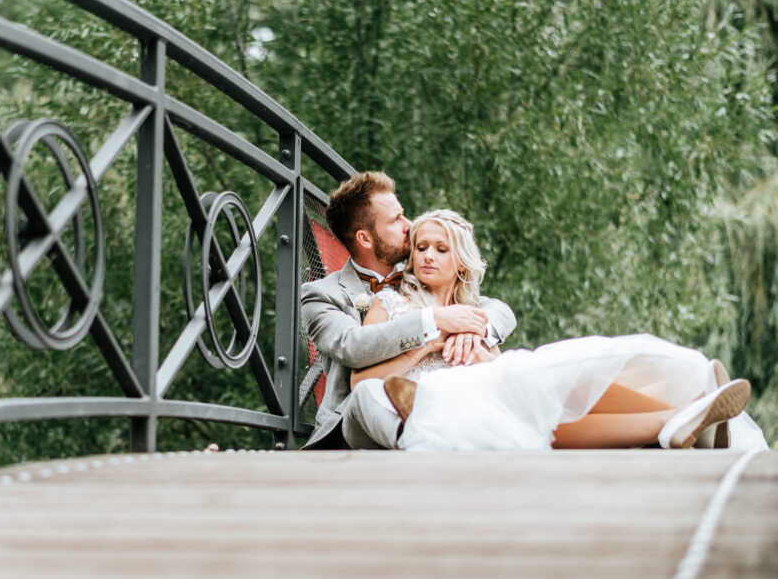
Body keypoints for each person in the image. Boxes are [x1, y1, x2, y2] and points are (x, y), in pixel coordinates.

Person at [351, 208, 766, 450]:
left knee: (549, 377)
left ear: (460, 262)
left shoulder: (476, 312)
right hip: (453, 405)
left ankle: (685, 410)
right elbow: (362, 382)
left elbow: (491, 363)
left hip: (491, 383)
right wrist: (428, 342)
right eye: (421, 247)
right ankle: (683, 416)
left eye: (441, 249)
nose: (427, 257)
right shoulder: (393, 304)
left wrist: (481, 352)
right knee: (531, 407)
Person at [301, 172, 517, 449]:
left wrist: (475, 331)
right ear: (365, 239)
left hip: (442, 403)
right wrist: (432, 322)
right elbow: (353, 346)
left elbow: (495, 308)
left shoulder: (423, 275)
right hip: (357, 422)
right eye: (396, 219)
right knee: (368, 394)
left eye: (404, 215)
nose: (409, 225)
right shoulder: (322, 295)